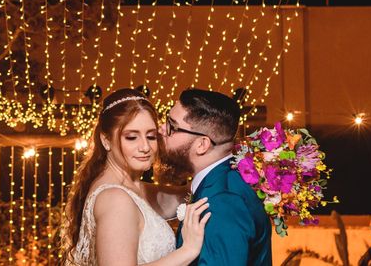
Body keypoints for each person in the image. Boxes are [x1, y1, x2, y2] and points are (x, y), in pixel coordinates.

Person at [63, 88, 211, 265]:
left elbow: (184, 195)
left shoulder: (132, 187)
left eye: (151, 136)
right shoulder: (115, 199)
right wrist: (188, 250)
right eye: (132, 137)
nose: (145, 147)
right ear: (106, 140)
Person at [160, 89, 272, 266]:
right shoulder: (225, 180)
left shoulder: (222, 203)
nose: (161, 129)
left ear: (202, 144)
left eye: (172, 127)